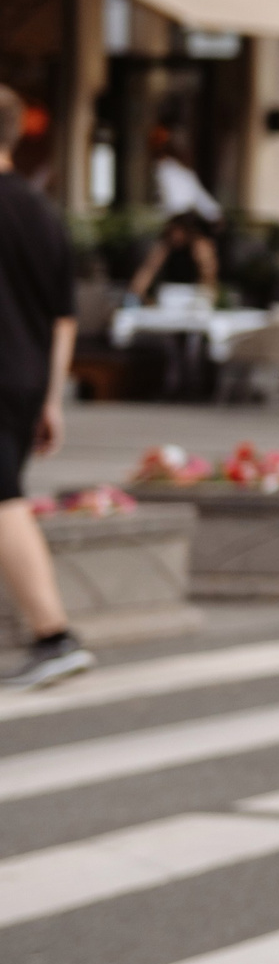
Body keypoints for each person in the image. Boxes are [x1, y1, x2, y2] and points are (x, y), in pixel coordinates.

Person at [0, 90, 91, 691]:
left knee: (3, 501)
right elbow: (64, 318)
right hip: (27, 377)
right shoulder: (40, 210)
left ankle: (53, 634)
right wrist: (52, 397)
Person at [126, 211, 220, 302]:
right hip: (168, 295)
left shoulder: (201, 246)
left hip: (195, 295)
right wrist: (135, 294)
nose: (174, 236)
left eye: (177, 231)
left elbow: (208, 275)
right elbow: (148, 270)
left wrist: (205, 298)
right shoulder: (165, 246)